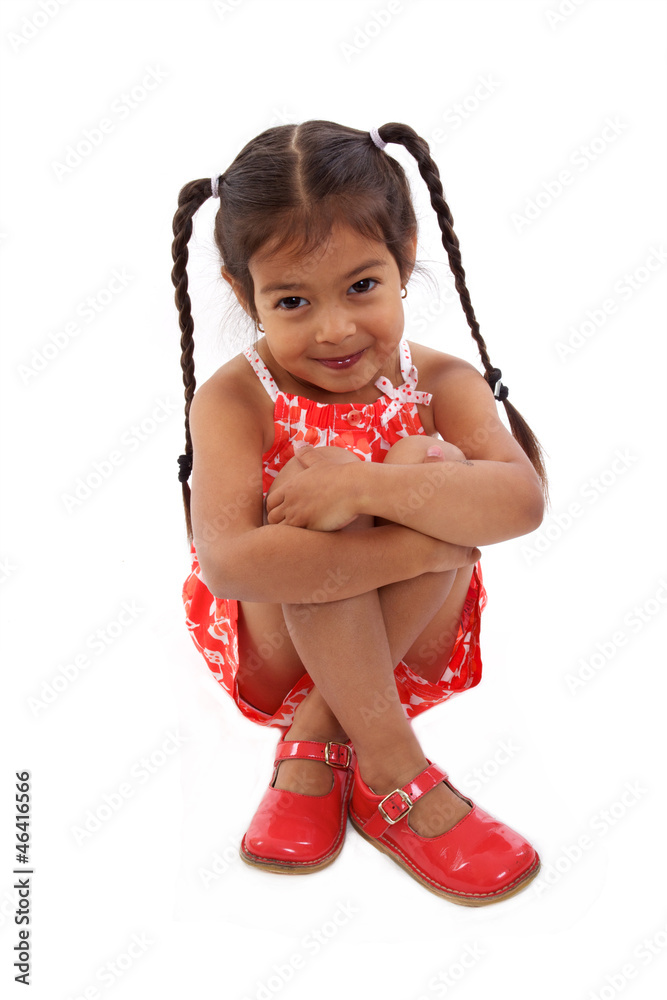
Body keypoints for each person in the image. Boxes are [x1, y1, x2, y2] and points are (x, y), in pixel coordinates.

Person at [171, 120, 548, 905]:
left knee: (421, 464)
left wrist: (366, 489)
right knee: (315, 483)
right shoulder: (235, 398)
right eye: (292, 300)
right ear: (243, 294)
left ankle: (318, 736)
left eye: (361, 287)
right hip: (277, 651)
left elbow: (521, 502)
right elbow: (230, 564)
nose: (334, 328)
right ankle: (392, 766)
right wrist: (417, 547)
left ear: (403, 256)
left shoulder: (442, 381)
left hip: (409, 646)